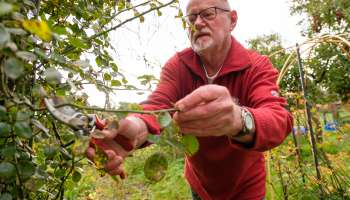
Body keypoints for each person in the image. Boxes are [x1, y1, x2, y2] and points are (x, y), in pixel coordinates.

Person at [86, 0, 293, 199]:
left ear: (232, 20)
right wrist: (133, 127)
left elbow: (278, 118)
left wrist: (238, 119)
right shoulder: (178, 66)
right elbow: (158, 104)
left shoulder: (256, 66)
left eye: (208, 14)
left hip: (246, 186)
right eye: (191, 18)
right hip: (199, 184)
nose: (198, 23)